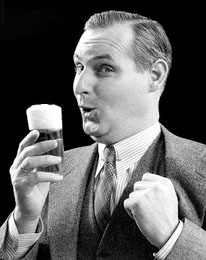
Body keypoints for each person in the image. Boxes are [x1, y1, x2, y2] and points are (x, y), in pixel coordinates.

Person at [0, 10, 206, 260]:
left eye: (104, 68)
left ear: (155, 75)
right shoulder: (50, 173)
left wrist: (173, 238)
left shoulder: (202, 166)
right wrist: (25, 218)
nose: (79, 86)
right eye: (79, 66)